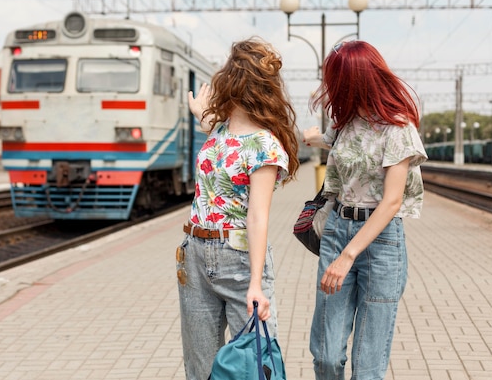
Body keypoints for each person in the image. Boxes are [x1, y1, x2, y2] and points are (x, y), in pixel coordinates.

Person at [302, 40, 428, 380]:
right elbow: (333, 143)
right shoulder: (344, 123)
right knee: (326, 356)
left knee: (367, 368)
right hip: (337, 230)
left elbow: (392, 202)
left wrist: (348, 256)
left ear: (355, 81)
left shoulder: (398, 127)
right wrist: (312, 138)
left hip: (381, 243)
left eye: (336, 81)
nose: (330, 89)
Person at [177, 37, 300, 380]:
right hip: (194, 253)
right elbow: (212, 131)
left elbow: (257, 217)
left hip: (239, 258)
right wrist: (200, 111)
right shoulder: (220, 131)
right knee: (200, 368)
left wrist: (257, 284)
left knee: (252, 366)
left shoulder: (265, 146)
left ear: (234, 82)